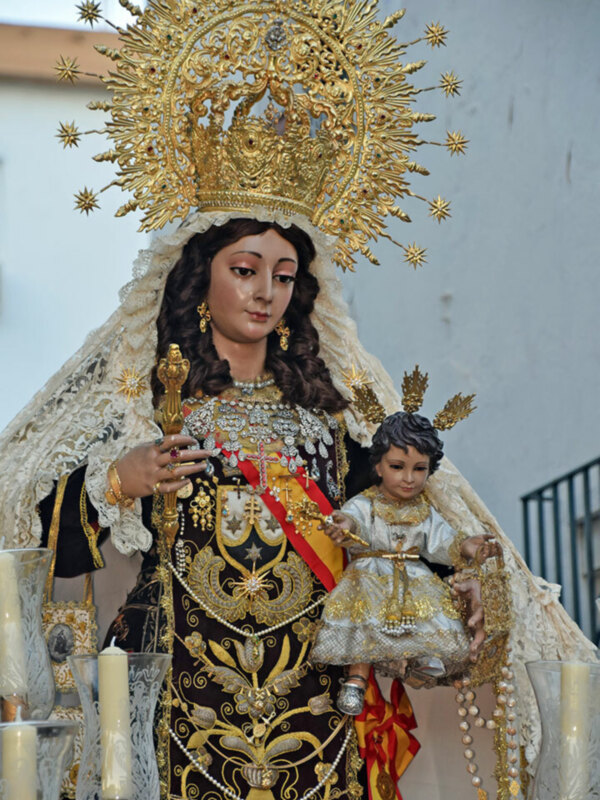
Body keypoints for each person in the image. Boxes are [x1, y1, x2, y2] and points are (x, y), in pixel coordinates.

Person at [1, 2, 597, 798]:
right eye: (245, 269)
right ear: (200, 274)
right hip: (175, 691)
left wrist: (464, 575)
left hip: (320, 698)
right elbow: (31, 531)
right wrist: (121, 480)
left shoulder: (331, 413)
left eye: (283, 276)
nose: (265, 293)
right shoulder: (139, 402)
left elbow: (392, 521)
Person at [311, 410, 501, 716]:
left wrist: (468, 546)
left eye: (419, 469)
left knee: (428, 619)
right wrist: (345, 525)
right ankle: (356, 679)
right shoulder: (366, 503)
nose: (409, 479)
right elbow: (353, 521)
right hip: (370, 576)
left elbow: (442, 541)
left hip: (413, 576)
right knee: (363, 622)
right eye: (398, 467)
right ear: (378, 466)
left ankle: (417, 662)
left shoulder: (424, 511)